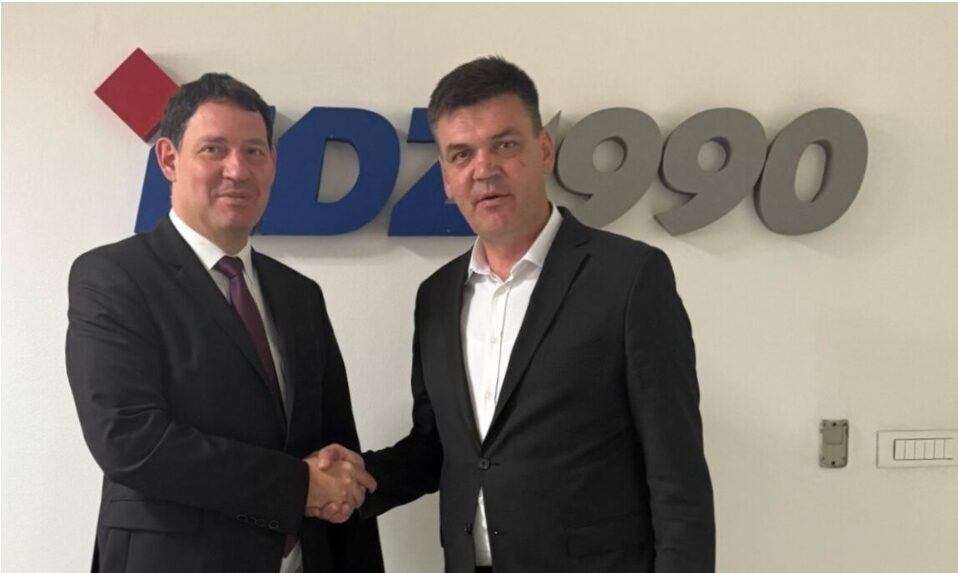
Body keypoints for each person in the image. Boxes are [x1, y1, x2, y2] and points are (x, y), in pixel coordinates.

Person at [318, 56, 715, 573]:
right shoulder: (436, 296)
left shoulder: (629, 277)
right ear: (446, 178)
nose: (483, 169)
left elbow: (677, 472)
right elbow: (439, 448)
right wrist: (358, 479)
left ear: (543, 149)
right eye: (461, 154)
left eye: (504, 145)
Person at [66, 73, 383, 573]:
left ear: (273, 163)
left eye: (254, 151)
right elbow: (130, 441)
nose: (237, 170)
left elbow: (335, 447)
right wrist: (299, 486)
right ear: (169, 159)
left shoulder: (300, 295)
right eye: (213, 149)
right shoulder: (113, 277)